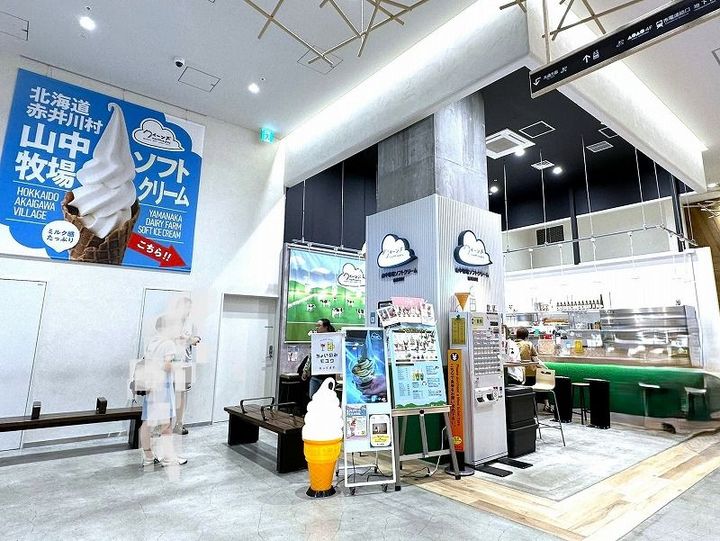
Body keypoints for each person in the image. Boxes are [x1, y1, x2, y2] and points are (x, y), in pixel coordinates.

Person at [139, 314, 188, 467]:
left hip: (151, 388)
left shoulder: (152, 342)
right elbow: (167, 366)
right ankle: (168, 458)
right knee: (166, 425)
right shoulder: (168, 344)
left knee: (147, 423)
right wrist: (178, 364)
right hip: (163, 389)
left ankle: (148, 457)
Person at [172, 297, 201, 436]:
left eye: (189, 307)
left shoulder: (191, 323)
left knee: (181, 395)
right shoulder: (170, 322)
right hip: (170, 363)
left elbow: (197, 338)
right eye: (185, 307)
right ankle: (162, 425)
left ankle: (179, 424)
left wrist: (190, 339)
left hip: (185, 364)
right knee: (165, 394)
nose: (187, 310)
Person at [515, 327, 551, 412]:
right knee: (543, 381)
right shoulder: (529, 344)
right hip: (529, 374)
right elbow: (536, 360)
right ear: (526, 336)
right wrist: (546, 369)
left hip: (516, 375)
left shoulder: (511, 344)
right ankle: (545, 406)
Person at [300, 318, 336, 398]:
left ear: (326, 327)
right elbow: (311, 356)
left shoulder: (334, 339)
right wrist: (305, 370)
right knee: (313, 397)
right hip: (315, 375)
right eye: (316, 326)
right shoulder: (315, 339)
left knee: (327, 399)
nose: (317, 328)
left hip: (328, 375)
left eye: (319, 326)